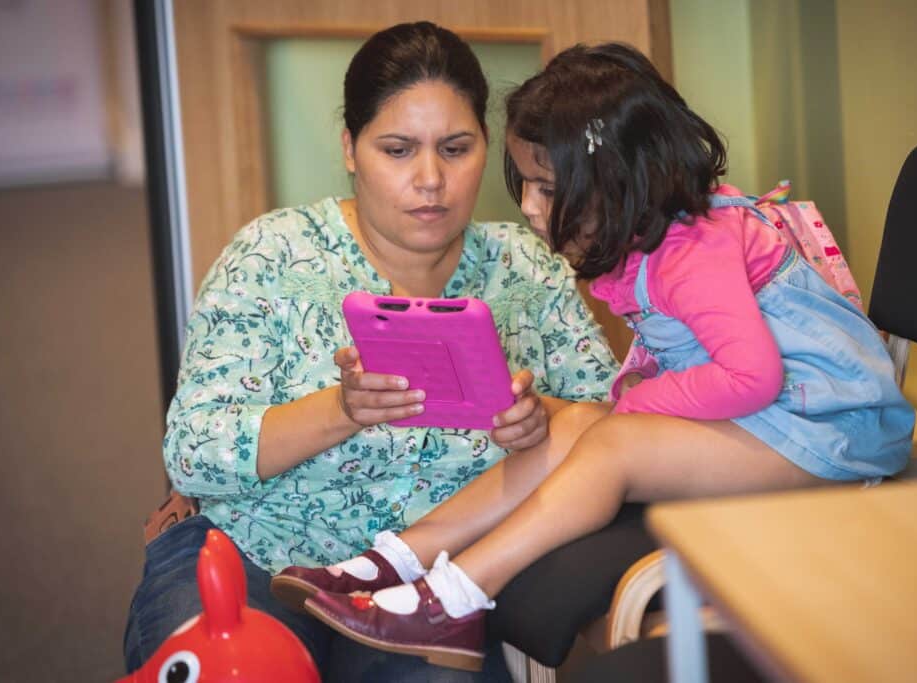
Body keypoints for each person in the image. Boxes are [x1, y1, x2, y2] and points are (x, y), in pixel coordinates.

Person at [286, 42, 916, 671]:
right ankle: (396, 559)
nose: (530, 207)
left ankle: (454, 600)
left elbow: (752, 377)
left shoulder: (694, 255)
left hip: (829, 430)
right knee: (581, 421)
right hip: (776, 415)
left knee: (614, 441)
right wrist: (620, 408)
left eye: (548, 188)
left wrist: (639, 403)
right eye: (526, 183)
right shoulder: (650, 237)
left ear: (619, 183)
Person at [122, 23, 619, 681]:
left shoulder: (526, 267)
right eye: (397, 149)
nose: (431, 179)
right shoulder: (274, 254)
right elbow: (192, 449)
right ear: (350, 149)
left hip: (428, 599)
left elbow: (617, 424)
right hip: (258, 557)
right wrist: (345, 408)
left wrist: (538, 418)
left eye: (455, 147)